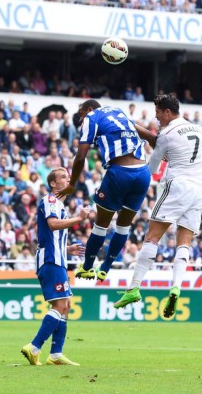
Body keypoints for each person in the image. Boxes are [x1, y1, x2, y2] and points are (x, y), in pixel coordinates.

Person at [114, 94, 202, 318]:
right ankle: (176, 286)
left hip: (178, 185)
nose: (157, 117)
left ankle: (134, 287)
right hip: (200, 188)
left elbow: (151, 168)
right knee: (184, 241)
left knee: (152, 237)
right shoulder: (199, 129)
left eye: (158, 112)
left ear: (168, 112)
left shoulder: (166, 135)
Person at [58, 100, 151, 281]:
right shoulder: (118, 112)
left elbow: (80, 157)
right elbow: (150, 136)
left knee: (101, 225)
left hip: (120, 173)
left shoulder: (92, 117)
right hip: (143, 173)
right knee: (124, 226)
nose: (81, 120)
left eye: (81, 114)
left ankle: (87, 267)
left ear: (90, 109)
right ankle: (106, 267)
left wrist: (72, 184)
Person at [21, 167, 89, 366]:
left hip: (57, 258)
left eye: (68, 176)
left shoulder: (58, 204)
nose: (68, 179)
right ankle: (34, 347)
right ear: (53, 183)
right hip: (51, 261)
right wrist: (78, 219)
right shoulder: (50, 200)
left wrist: (68, 248)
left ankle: (56, 354)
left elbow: (51, 237)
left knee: (66, 305)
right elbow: (52, 224)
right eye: (63, 177)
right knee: (60, 305)